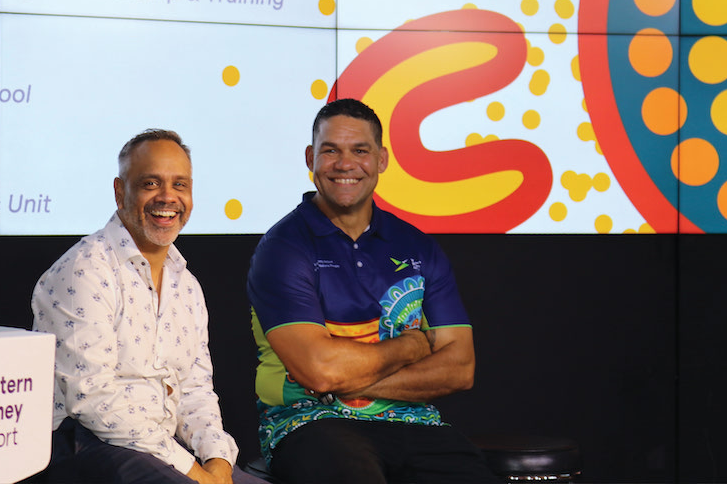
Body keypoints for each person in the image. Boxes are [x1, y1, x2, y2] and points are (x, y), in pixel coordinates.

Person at [247, 99, 501, 483]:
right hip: (310, 421)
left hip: (416, 422)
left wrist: (347, 383)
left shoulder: (418, 246)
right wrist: (410, 348)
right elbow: (320, 371)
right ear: (310, 158)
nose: (345, 164)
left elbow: (460, 367)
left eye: (360, 151)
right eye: (330, 151)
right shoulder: (282, 249)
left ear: (381, 160)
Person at [31, 129, 263, 484]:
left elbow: (195, 391)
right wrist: (193, 472)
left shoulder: (186, 285)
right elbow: (91, 399)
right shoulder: (85, 271)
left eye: (180, 185)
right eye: (151, 184)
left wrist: (217, 460)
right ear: (120, 192)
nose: (167, 197)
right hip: (85, 445)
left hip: (159, 448)